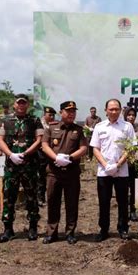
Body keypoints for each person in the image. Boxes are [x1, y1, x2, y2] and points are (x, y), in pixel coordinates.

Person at [0, 94, 44, 242]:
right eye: (19, 103)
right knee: (9, 196)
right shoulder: (5, 121)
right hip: (11, 166)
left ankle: (33, 227)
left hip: (29, 164)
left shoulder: (35, 120)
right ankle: (8, 229)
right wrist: (10, 154)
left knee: (32, 196)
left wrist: (26, 153)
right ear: (14, 105)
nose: (21, 106)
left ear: (27, 105)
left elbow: (39, 139)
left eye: (24, 103)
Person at [41, 101, 88, 244]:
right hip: (53, 172)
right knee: (52, 202)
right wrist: (56, 158)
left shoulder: (79, 130)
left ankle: (70, 232)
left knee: (72, 203)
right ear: (61, 112)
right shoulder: (51, 127)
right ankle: (52, 232)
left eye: (73, 111)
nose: (71, 114)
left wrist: (70, 157)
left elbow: (84, 147)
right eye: (68, 111)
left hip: (72, 172)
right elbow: (44, 145)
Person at [90, 99, 137, 241]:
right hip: (103, 171)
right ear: (106, 110)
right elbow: (95, 148)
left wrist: (118, 165)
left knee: (123, 202)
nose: (114, 111)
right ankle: (103, 229)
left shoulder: (127, 127)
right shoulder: (99, 126)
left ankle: (123, 228)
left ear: (120, 110)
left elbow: (130, 148)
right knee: (104, 202)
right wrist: (106, 165)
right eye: (111, 109)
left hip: (121, 171)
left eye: (116, 109)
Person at [124, 107, 138, 222]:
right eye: (129, 115)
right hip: (123, 164)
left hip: (135, 164)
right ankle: (125, 211)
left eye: (133, 115)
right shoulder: (122, 128)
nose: (131, 117)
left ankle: (133, 211)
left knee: (135, 189)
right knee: (124, 189)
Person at [38, 106, 57, 206]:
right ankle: (40, 197)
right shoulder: (39, 124)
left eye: (53, 115)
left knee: (51, 176)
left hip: (51, 153)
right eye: (50, 115)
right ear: (44, 114)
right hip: (40, 154)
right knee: (41, 176)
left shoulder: (54, 125)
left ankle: (51, 197)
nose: (52, 117)